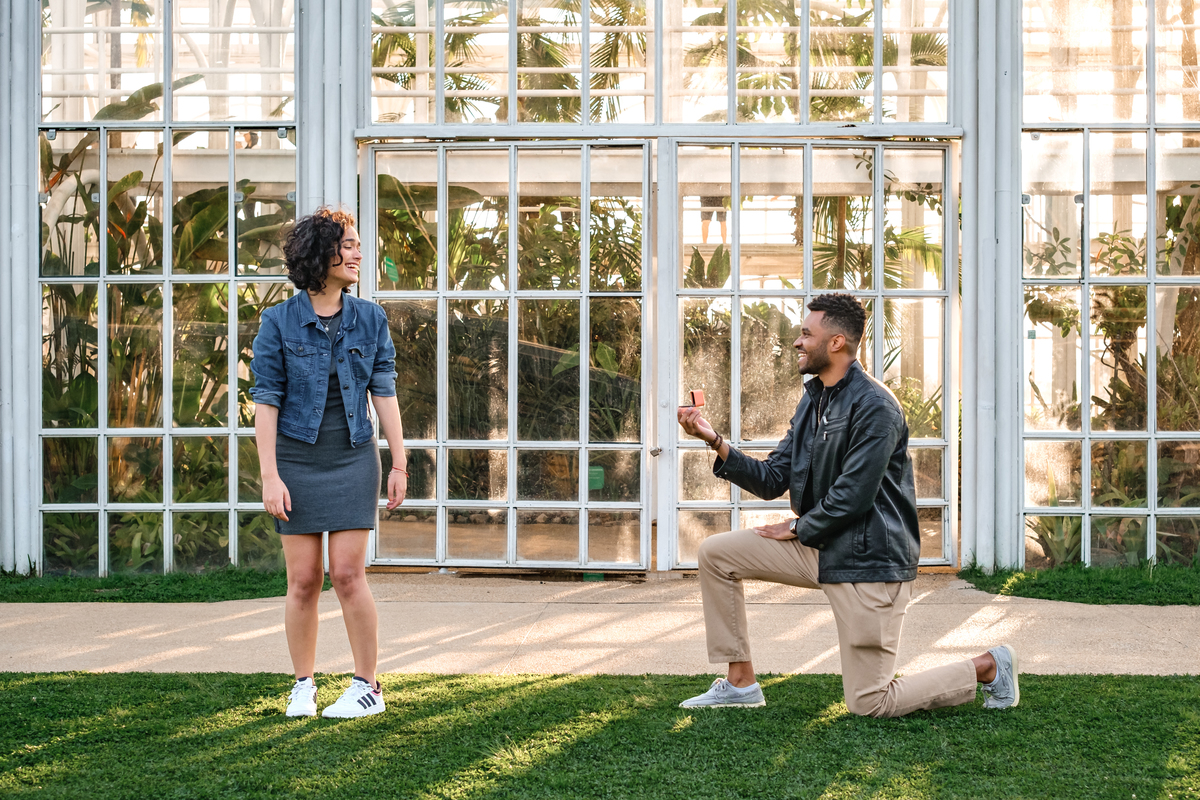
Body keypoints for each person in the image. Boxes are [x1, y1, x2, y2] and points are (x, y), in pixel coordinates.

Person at [676, 293, 1019, 716]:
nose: (797, 342)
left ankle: (988, 666)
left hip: (868, 561)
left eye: (806, 333)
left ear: (836, 343)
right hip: (821, 546)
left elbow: (853, 496)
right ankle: (741, 683)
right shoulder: (814, 399)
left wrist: (799, 528)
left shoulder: (876, 406)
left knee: (870, 702)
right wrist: (714, 439)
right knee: (717, 554)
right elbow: (772, 479)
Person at [250, 207, 407, 719]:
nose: (359, 254)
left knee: (346, 574)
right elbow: (266, 400)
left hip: (352, 457)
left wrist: (399, 463)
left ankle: (367, 687)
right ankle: (303, 685)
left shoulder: (371, 318)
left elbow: (383, 392)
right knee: (302, 580)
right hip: (295, 459)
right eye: (351, 245)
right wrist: (270, 475)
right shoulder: (277, 321)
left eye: (358, 245)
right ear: (323, 254)